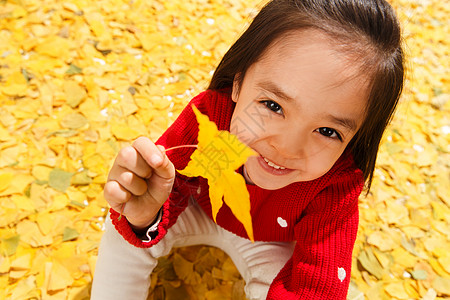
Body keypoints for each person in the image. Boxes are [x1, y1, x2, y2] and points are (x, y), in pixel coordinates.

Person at [91, 0, 404, 298]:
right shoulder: (210, 118)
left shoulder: (336, 185)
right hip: (196, 207)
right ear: (238, 83)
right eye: (273, 105)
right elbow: (173, 183)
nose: (286, 147)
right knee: (124, 220)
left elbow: (317, 284)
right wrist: (145, 215)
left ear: (358, 137)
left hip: (273, 243)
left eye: (327, 131)